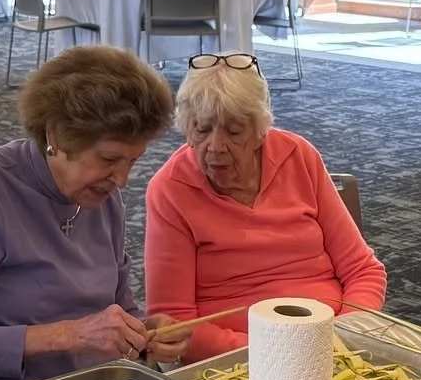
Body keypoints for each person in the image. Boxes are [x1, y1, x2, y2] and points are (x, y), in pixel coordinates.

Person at [0, 45, 188, 380]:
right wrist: (72, 335)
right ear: (56, 136)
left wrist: (145, 332)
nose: (122, 179)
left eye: (133, 161)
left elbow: (119, 310)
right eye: (109, 159)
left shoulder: (102, 199)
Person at [144, 53, 386, 360]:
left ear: (260, 131)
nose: (215, 146)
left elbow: (363, 271)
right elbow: (174, 322)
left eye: (233, 132)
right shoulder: (170, 189)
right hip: (237, 361)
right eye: (202, 129)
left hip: (335, 346)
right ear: (186, 127)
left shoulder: (298, 156)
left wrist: (343, 333)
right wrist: (274, 355)